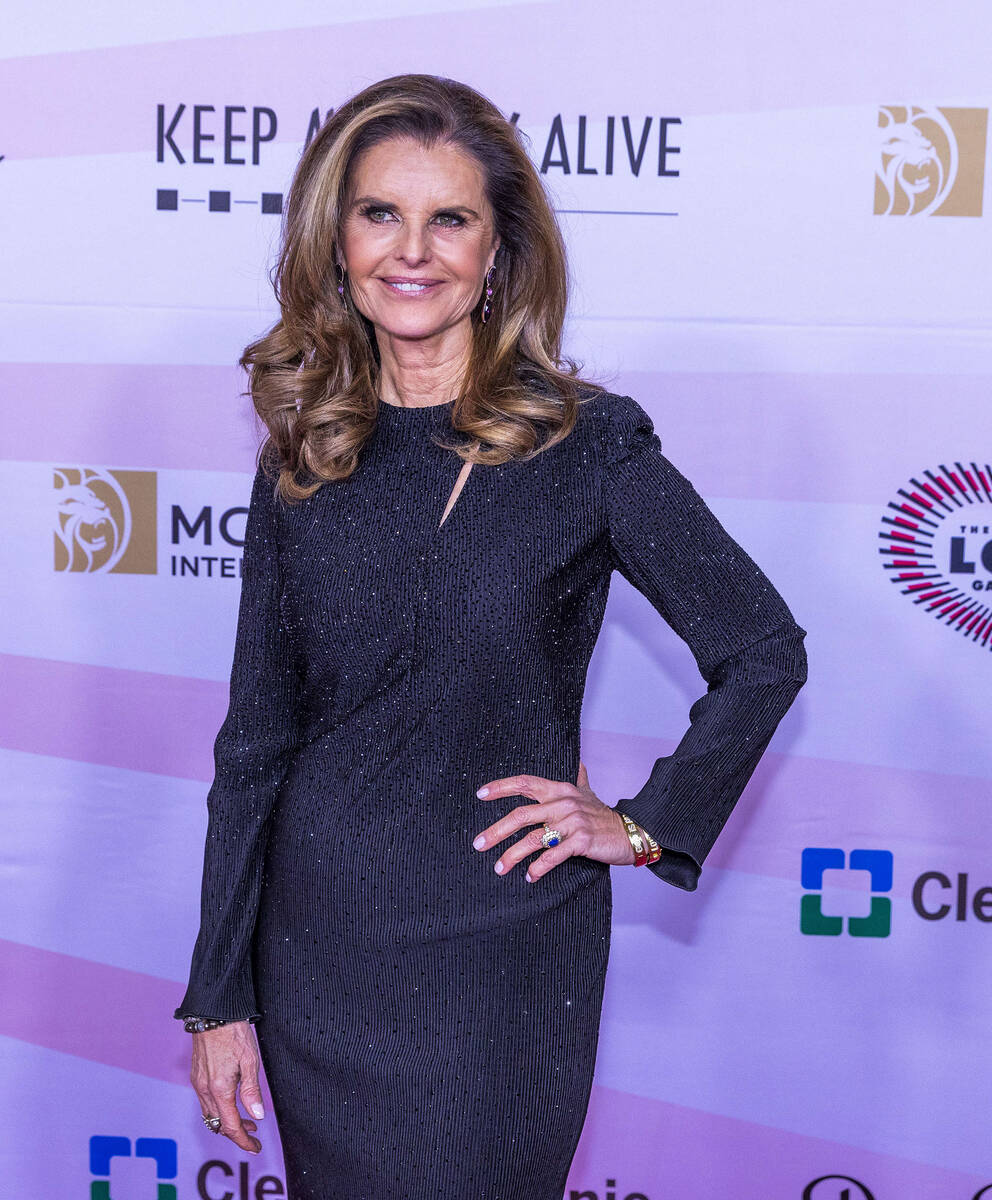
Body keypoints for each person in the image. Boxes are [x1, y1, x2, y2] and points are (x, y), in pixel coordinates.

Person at [173, 73, 807, 1200]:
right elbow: (255, 743)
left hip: (500, 952)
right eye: (379, 213)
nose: (410, 250)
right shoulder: (306, 455)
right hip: (321, 953)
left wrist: (645, 825)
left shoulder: (586, 446)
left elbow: (762, 648)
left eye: (449, 218)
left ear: (497, 251)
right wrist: (218, 994)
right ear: (335, 241)